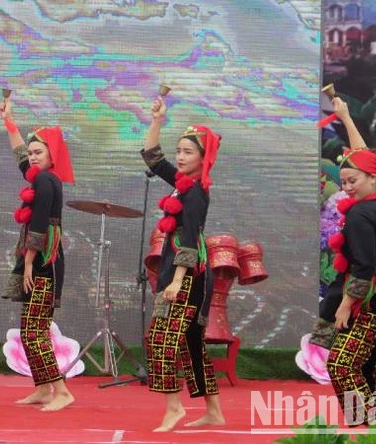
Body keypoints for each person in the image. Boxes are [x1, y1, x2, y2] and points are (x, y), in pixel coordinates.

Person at [309, 97, 376, 424]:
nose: (346, 187)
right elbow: (363, 157)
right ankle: (373, 428)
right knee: (366, 367)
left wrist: (345, 305)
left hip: (366, 301)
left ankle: (365, 425)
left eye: (352, 181)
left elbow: (363, 268)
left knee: (342, 365)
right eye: (343, 181)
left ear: (371, 178)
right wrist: (345, 117)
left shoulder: (360, 214)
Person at [140, 97, 225, 431]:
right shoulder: (183, 184)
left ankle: (174, 407)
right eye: (179, 151)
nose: (180, 156)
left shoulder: (196, 192)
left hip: (187, 275)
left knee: (160, 340)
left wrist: (176, 280)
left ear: (203, 158)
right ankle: (214, 411)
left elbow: (189, 239)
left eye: (188, 152)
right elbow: (153, 157)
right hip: (181, 271)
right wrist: (157, 120)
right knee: (191, 345)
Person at [0, 96, 75, 412]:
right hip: (41, 261)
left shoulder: (45, 179)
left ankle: (62, 391)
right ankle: (44, 389)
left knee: (34, 331)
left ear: (52, 154)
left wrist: (29, 263)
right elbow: (20, 156)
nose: (31, 157)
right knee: (32, 329)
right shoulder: (41, 176)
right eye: (30, 153)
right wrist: (9, 122)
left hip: (44, 262)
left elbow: (40, 225)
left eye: (38, 152)